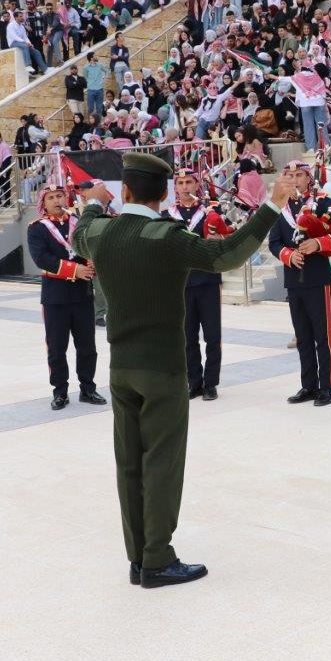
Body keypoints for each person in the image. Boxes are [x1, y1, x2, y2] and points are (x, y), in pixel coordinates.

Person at [72, 153, 289, 588]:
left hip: (121, 367)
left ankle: (138, 558)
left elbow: (80, 233)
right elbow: (226, 254)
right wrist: (272, 205)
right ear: (165, 194)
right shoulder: (166, 236)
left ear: (125, 191)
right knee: (162, 463)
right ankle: (157, 558)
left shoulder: (101, 232)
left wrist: (94, 200)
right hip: (163, 370)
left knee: (129, 464)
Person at [269, 161, 331, 407]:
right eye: (289, 175)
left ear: (308, 177)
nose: (294, 179)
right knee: (302, 336)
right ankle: (308, 385)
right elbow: (274, 242)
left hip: (317, 278)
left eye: (299, 175)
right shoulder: (281, 207)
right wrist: (288, 255)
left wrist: (318, 243)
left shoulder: (322, 203)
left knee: (322, 336)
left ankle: (326, 386)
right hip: (293, 280)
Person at [27, 182, 105, 410]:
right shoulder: (37, 228)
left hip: (82, 294)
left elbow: (88, 248)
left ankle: (88, 388)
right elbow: (42, 259)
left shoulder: (78, 222)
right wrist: (74, 270)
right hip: (55, 296)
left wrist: (91, 262)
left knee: (87, 346)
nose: (57, 200)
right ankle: (60, 391)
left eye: (60, 196)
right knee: (57, 347)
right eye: (51, 197)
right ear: (44, 203)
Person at [164, 170, 233, 401]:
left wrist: (218, 240)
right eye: (181, 183)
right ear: (176, 187)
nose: (185, 187)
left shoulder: (210, 210)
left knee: (212, 335)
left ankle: (211, 383)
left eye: (189, 182)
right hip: (180, 282)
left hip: (208, 279)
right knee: (188, 336)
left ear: (196, 185)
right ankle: (194, 382)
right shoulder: (167, 214)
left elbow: (227, 236)